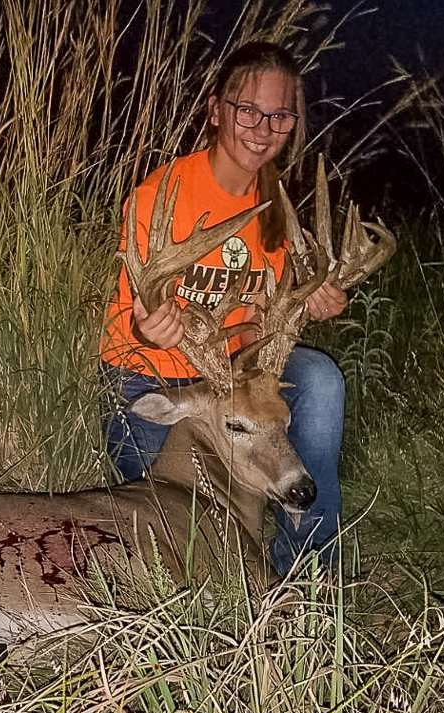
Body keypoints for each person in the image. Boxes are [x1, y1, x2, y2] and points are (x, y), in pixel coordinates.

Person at [99, 41, 348, 577]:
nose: (263, 128)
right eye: (248, 110)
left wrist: (311, 300)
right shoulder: (160, 195)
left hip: (237, 381)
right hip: (150, 378)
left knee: (322, 379)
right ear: (216, 110)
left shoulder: (276, 207)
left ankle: (312, 565)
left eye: (280, 114)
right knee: (171, 537)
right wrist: (150, 330)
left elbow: (269, 323)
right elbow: (132, 319)